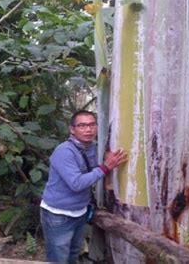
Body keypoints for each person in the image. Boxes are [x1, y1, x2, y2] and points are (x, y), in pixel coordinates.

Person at [40, 110, 127, 263]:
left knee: (73, 254)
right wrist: (105, 167)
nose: (88, 129)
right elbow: (77, 183)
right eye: (82, 125)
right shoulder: (64, 151)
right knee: (58, 259)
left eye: (92, 125)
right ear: (72, 129)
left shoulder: (92, 148)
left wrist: (106, 160)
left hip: (79, 212)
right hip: (58, 215)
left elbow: (93, 169)